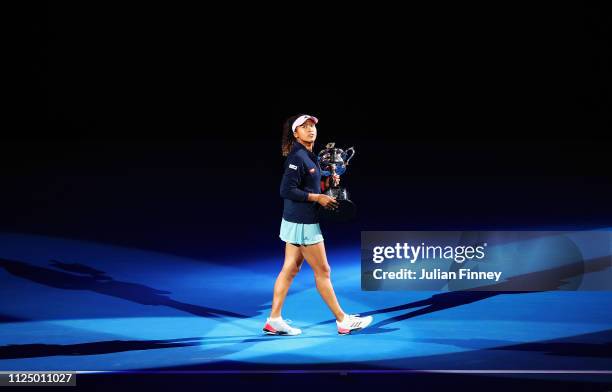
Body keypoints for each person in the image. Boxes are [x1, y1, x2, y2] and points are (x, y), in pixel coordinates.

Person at [262, 114, 373, 336]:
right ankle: (343, 321)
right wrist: (318, 198)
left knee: (290, 268)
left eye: (311, 126)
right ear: (296, 133)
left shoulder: (309, 156)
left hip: (294, 220)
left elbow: (309, 180)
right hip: (303, 223)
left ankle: (274, 320)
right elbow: (286, 190)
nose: (310, 129)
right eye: (303, 127)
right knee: (323, 271)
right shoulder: (297, 157)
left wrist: (325, 179)